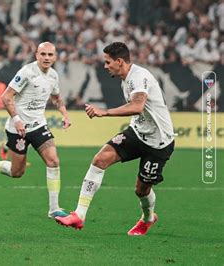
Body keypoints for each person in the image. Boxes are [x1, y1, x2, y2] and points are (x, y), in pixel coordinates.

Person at [55, 42, 175, 236]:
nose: (105, 65)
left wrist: (105, 112)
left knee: (141, 190)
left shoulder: (139, 77)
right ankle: (79, 215)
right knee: (100, 159)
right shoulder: (125, 78)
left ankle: (148, 218)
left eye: (108, 62)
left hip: (159, 142)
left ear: (119, 61)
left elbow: (137, 106)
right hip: (137, 132)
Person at [0, 42, 71, 219]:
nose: (46, 58)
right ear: (36, 55)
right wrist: (17, 120)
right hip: (17, 129)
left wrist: (65, 115)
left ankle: (54, 209)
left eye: (50, 55)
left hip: (38, 126)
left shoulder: (53, 76)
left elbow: (57, 98)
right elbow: (6, 97)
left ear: (55, 57)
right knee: (17, 172)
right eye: (43, 54)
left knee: (53, 161)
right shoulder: (26, 72)